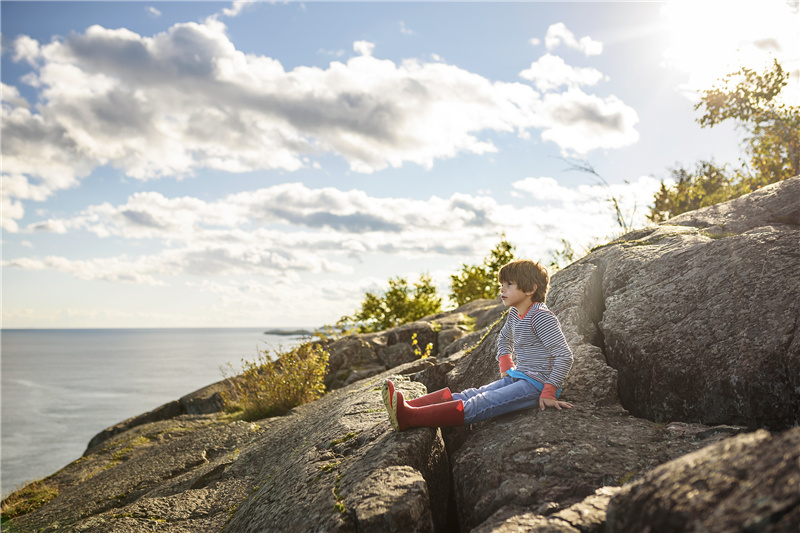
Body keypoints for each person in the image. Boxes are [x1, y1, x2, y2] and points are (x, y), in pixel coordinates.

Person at [382, 259, 574, 431]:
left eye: (509, 284)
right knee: (472, 393)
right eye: (501, 285)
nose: (502, 289)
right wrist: (506, 365)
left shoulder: (541, 316)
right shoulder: (516, 314)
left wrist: (549, 391)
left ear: (530, 289)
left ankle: (410, 417)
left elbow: (564, 355)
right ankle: (409, 405)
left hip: (537, 385)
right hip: (519, 376)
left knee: (481, 402)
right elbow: (504, 338)